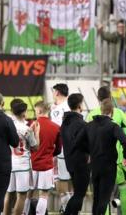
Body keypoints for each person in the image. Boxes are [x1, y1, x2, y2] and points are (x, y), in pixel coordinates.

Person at [86, 86, 126, 215]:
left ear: (98, 98)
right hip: (118, 160)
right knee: (123, 188)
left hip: (97, 160)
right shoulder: (119, 113)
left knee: (102, 193)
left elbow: (87, 139)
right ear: (111, 97)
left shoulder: (91, 115)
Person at [4, 99, 38, 215]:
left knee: (9, 194)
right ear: (23, 113)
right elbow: (35, 147)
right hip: (22, 165)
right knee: (22, 196)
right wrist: (36, 132)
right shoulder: (27, 129)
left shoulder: (8, 126)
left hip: (10, 163)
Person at [30, 101, 62, 215]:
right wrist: (49, 154)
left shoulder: (32, 125)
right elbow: (58, 149)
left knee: (27, 194)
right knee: (44, 194)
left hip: (32, 164)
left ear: (39, 111)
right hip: (47, 165)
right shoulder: (56, 127)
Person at [61, 93, 90, 215]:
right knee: (79, 194)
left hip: (70, 161)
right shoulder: (81, 124)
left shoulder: (65, 122)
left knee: (78, 192)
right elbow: (84, 143)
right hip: (81, 162)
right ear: (79, 105)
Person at [50, 83, 73, 211]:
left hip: (61, 149)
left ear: (57, 92)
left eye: (54, 92)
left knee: (60, 179)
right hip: (72, 148)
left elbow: (57, 131)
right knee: (70, 179)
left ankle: (66, 207)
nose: (53, 94)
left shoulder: (57, 110)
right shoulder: (70, 106)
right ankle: (72, 207)